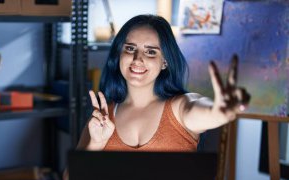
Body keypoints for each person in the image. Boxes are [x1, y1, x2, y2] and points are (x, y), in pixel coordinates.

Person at [77, 14, 250, 152]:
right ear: (119, 54)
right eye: (130, 48)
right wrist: (95, 145)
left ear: (165, 62)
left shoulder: (180, 107)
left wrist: (219, 112)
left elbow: (205, 111)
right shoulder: (102, 115)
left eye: (151, 52)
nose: (138, 59)